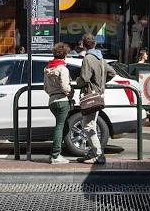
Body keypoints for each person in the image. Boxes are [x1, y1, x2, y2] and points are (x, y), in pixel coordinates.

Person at [76, 33, 115, 164]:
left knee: (87, 126)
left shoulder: (88, 59)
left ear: (84, 45)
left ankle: (98, 154)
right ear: (95, 43)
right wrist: (101, 83)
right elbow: (112, 73)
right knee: (90, 124)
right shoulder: (100, 58)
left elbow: (84, 78)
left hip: (90, 95)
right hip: (99, 95)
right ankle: (92, 153)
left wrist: (77, 81)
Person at [44, 42, 73, 165]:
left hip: (52, 101)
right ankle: (55, 155)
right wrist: (70, 93)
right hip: (62, 101)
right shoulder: (63, 69)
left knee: (63, 126)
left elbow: (45, 88)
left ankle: (58, 151)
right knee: (60, 126)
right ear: (65, 55)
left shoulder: (47, 68)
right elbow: (65, 87)